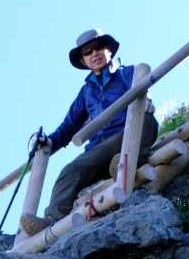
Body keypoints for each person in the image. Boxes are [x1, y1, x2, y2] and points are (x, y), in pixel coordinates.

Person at [19, 29, 158, 236]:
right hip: (102, 146)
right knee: (70, 170)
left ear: (108, 49)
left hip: (132, 129)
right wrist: (47, 141)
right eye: (88, 52)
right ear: (83, 60)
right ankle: (51, 221)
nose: (94, 54)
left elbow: (144, 92)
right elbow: (68, 126)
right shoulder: (86, 92)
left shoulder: (129, 72)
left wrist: (147, 103)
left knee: (146, 123)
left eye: (98, 47)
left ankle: (127, 160)